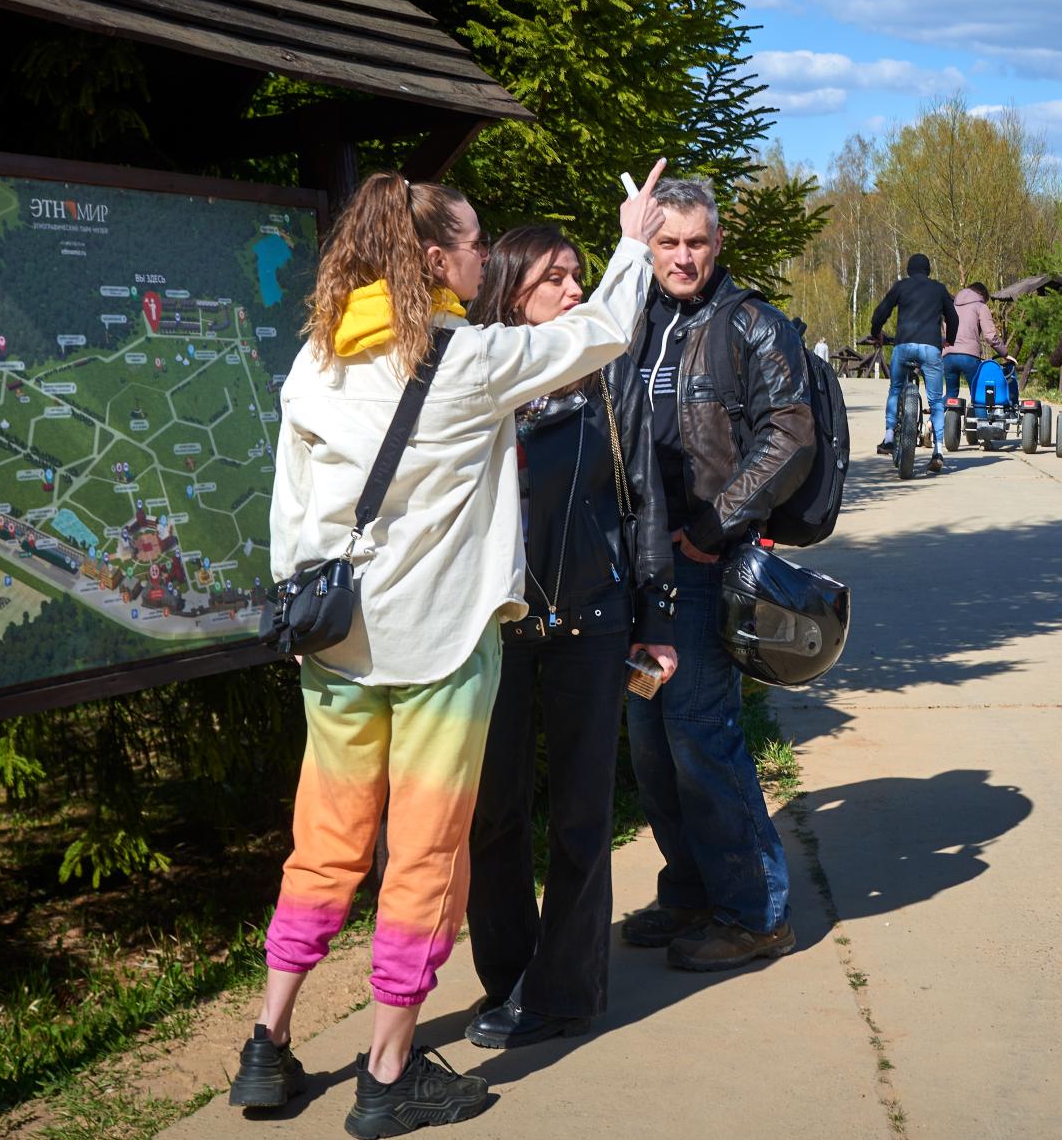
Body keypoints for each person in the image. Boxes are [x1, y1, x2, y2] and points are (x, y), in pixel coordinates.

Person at [232, 167, 662, 1133]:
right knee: (425, 856)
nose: (482, 258)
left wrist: (306, 612)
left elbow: (291, 507)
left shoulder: (317, 358)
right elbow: (599, 331)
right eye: (472, 244)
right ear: (433, 258)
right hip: (441, 650)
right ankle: (389, 1073)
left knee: (324, 845)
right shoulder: (466, 359)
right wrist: (632, 241)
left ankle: (268, 1043)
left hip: (336, 648)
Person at [463, 226, 678, 1051]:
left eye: (580, 276)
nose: (574, 290)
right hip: (498, 625)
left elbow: (645, 498)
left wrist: (656, 621)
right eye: (555, 277)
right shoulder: (477, 373)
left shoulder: (607, 374)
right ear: (512, 287)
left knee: (583, 816)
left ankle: (565, 992)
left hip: (593, 618)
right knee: (494, 815)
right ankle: (510, 976)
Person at [625, 177, 814, 971]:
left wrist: (713, 527)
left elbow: (790, 437)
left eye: (696, 241)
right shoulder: (632, 318)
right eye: (667, 242)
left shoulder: (753, 325)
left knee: (701, 737)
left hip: (702, 563)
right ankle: (693, 889)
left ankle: (755, 912)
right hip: (638, 567)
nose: (683, 256)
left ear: (717, 242)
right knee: (649, 740)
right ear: (648, 247)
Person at [869, 253, 957, 472]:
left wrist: (876, 332)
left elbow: (881, 312)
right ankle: (938, 450)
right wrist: (949, 339)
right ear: (928, 271)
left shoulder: (901, 287)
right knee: (936, 401)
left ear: (909, 270)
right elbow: (953, 318)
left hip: (904, 346)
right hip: (931, 348)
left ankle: (889, 436)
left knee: (895, 389)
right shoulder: (939, 289)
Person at [942, 281, 1008, 408]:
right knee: (978, 395)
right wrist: (1004, 353)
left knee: (951, 394)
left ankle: (933, 416)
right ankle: (980, 420)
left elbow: (946, 330)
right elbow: (990, 336)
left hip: (948, 355)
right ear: (983, 295)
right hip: (968, 357)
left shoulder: (952, 305)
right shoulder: (980, 306)